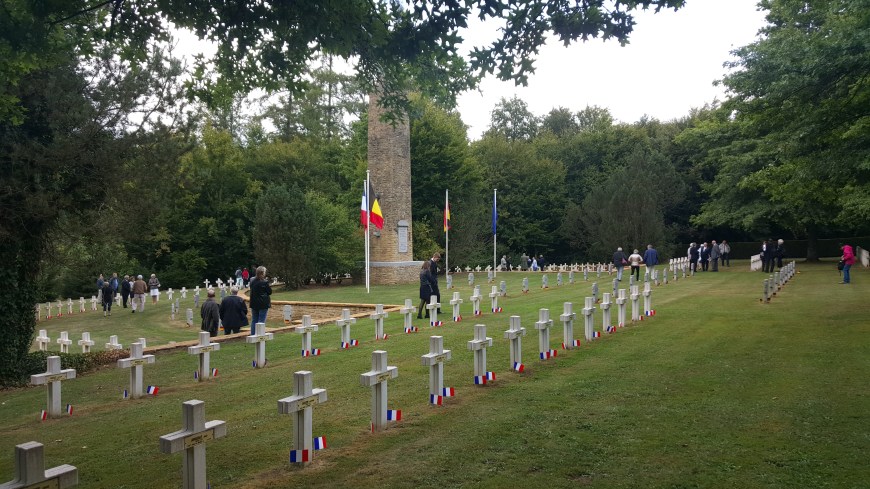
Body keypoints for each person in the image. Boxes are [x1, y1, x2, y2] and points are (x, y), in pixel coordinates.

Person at [248, 266, 272, 332]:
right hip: (263, 303)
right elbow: (269, 292)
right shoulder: (265, 282)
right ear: (262, 273)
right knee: (261, 320)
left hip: (254, 302)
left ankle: (253, 335)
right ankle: (260, 335)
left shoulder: (252, 280)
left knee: (254, 320)